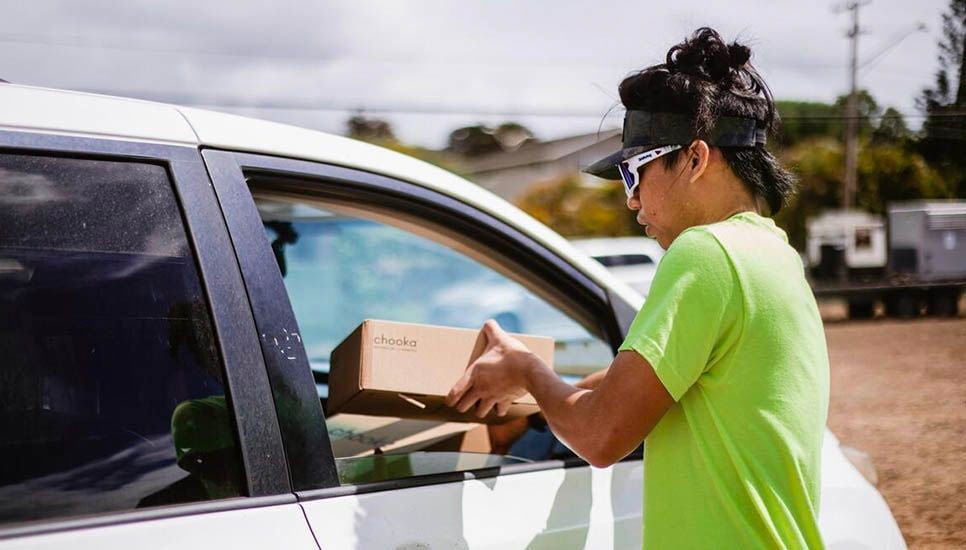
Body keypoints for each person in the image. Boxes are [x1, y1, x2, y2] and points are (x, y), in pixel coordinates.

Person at [447, 27, 830, 549]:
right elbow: (634, 382)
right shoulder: (773, 256)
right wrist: (531, 384)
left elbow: (602, 436)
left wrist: (528, 372)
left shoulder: (705, 254)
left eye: (634, 173)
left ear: (696, 159)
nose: (631, 201)